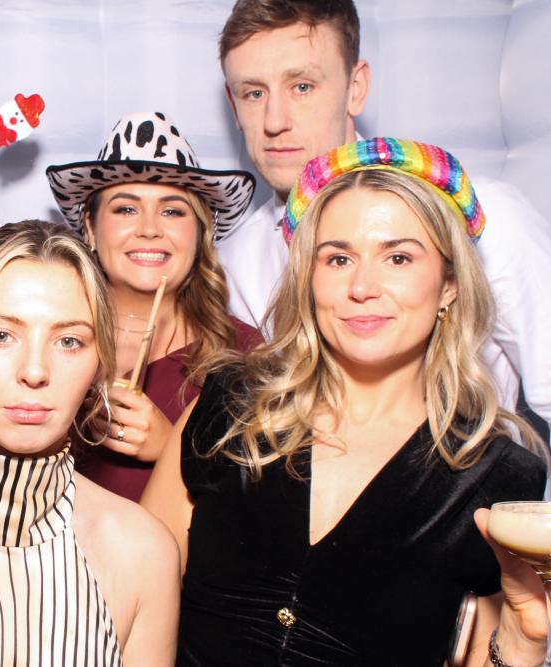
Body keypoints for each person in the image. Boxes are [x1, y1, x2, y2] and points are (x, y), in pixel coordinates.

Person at [143, 140, 549, 665]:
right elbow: (134, 605)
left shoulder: (496, 476)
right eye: (338, 258)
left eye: (398, 258)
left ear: (449, 283)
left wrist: (524, 642)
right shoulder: (229, 408)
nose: (362, 286)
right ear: (309, 279)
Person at [214, 0, 551, 437]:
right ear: (233, 104)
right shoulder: (235, 259)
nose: (275, 121)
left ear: (356, 88)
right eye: (254, 93)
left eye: (302, 86)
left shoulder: (484, 216)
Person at [0, 221, 180, 665]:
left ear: (99, 362)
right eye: (1, 336)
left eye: (69, 341)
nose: (35, 371)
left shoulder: (144, 550)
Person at [45, 111, 260, 501]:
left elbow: (268, 508)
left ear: (201, 231)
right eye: (126, 209)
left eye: (172, 210)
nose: (149, 229)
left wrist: (173, 449)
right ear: (90, 227)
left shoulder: (247, 357)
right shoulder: (44, 342)